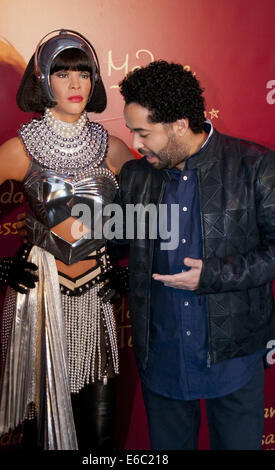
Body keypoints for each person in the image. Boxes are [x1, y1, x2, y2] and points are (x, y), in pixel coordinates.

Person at [0, 29, 133, 450]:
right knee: (43, 432)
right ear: (43, 80)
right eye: (63, 73)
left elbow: (154, 221)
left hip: (96, 302)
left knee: (99, 435)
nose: (76, 83)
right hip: (40, 301)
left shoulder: (114, 149)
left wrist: (132, 272)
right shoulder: (18, 151)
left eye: (84, 73)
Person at [115, 60, 275, 450]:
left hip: (233, 357)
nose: (135, 144)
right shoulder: (137, 177)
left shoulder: (255, 165)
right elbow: (116, 240)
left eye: (143, 132)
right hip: (163, 357)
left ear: (180, 126)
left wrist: (213, 275)